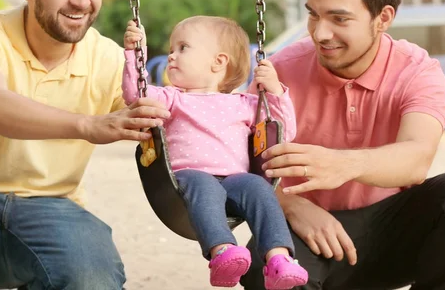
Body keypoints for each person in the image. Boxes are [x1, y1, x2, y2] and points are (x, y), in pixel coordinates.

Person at [240, 0, 445, 290]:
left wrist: (343, 164)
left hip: (392, 232)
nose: (320, 33)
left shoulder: (417, 72)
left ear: (383, 18)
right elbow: (236, 156)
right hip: (308, 234)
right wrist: (288, 205)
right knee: (267, 269)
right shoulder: (280, 70)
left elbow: (416, 159)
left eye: (339, 18)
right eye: (313, 15)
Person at [0, 0, 170, 290]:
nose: (82, 1)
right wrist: (87, 125)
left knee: (93, 275)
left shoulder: (109, 59)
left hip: (50, 209)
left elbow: (163, 121)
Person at [122, 17, 308, 289]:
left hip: (235, 180)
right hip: (189, 179)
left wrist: (276, 91)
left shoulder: (245, 103)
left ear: (218, 62)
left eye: (183, 48)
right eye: (172, 48)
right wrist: (134, 54)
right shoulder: (172, 98)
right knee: (204, 184)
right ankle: (223, 252)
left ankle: (278, 259)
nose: (172, 55)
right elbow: (135, 94)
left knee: (258, 187)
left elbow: (282, 132)